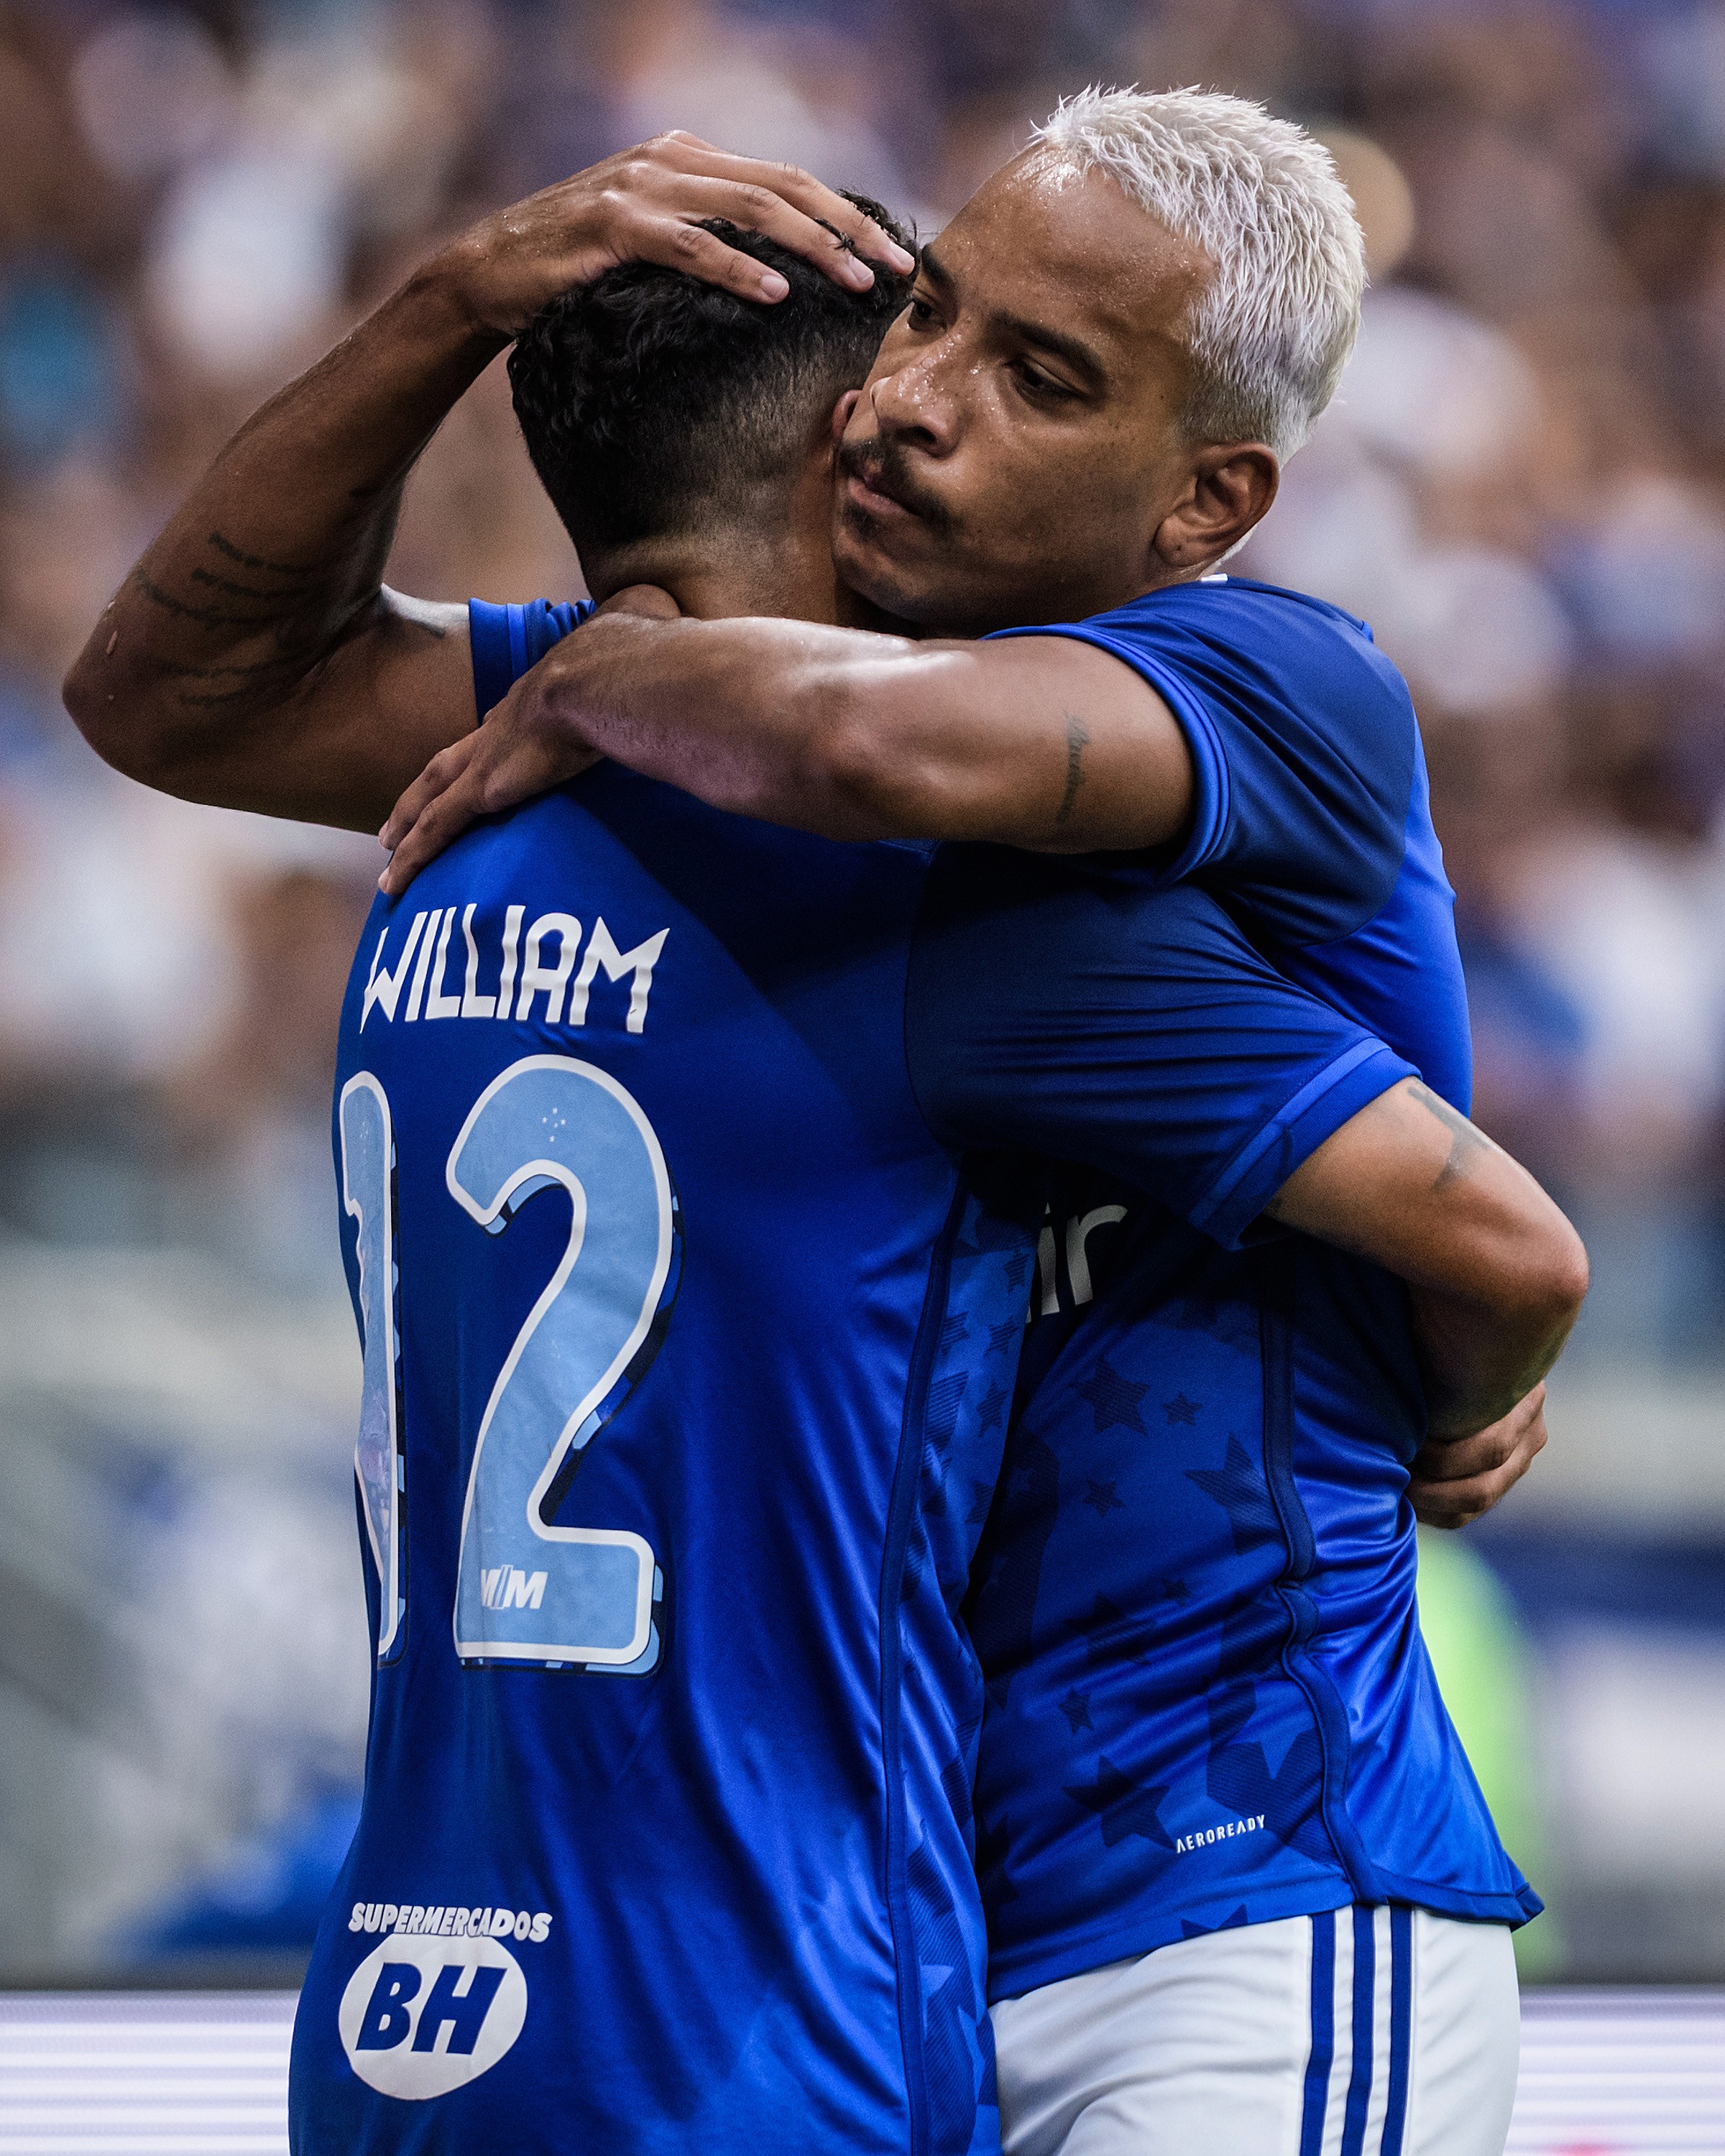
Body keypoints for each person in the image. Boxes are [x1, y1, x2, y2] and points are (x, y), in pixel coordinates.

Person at [61, 119, 1581, 2156]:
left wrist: (1448, 1401)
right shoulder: (708, 724)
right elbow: (175, 696)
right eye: (929, 314)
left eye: (1041, 378)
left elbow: (865, 743)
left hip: (1236, 1882)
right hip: (911, 1906)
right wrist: (455, 299)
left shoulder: (1268, 675)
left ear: (1206, 499)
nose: (914, 403)